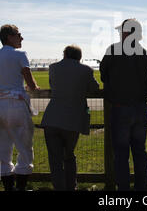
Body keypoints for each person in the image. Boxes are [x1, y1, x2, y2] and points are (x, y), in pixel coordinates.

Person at [100, 18, 147, 191]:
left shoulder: (113, 50)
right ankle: (142, 188)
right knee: (140, 151)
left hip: (120, 107)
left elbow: (103, 75)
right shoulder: (145, 54)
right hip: (140, 107)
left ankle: (123, 190)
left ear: (125, 32)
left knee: (121, 154)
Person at [41, 45, 99, 191]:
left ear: (65, 54)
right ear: (79, 56)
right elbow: (94, 88)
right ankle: (71, 186)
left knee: (55, 159)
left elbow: (52, 85)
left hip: (52, 118)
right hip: (73, 120)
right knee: (69, 155)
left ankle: (59, 187)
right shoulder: (86, 70)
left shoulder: (53, 67)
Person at [0, 24, 40, 191]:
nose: (21, 38)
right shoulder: (20, 54)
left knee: (1, 149)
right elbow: (30, 82)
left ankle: (8, 188)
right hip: (14, 104)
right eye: (18, 35)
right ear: (9, 37)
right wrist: (34, 88)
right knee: (24, 148)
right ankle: (21, 188)